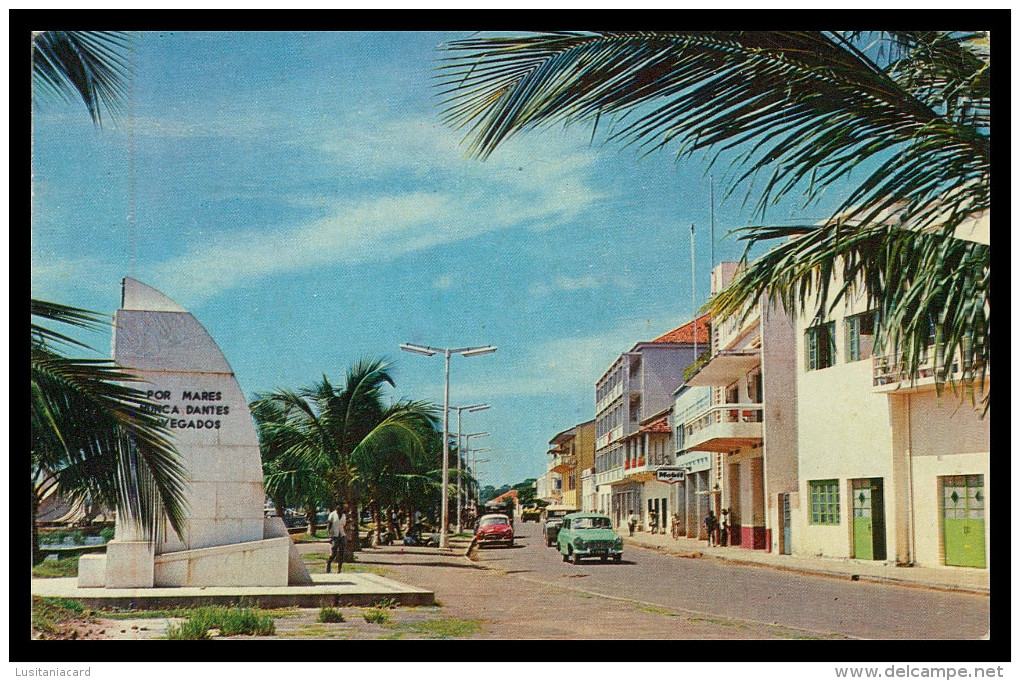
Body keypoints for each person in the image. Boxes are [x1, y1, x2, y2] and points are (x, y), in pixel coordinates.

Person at [326, 504, 347, 574]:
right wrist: (329, 535)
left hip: (342, 535)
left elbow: (343, 524)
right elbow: (329, 525)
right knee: (333, 553)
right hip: (334, 535)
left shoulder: (343, 515)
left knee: (341, 553)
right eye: (339, 509)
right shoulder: (332, 515)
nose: (340, 510)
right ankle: (328, 564)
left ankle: (339, 569)